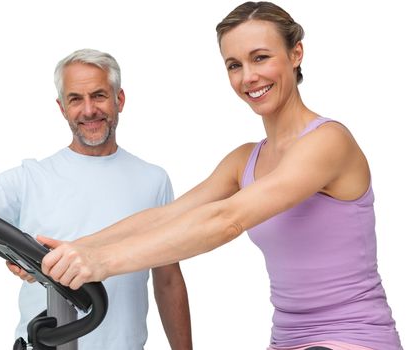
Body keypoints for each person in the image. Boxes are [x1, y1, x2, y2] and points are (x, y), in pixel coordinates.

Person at [37, 3, 402, 350]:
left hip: (353, 336)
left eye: (260, 57)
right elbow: (168, 217)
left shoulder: (328, 141)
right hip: (288, 338)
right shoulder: (245, 159)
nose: (248, 76)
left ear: (295, 54)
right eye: (234, 65)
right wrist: (76, 250)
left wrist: (104, 263)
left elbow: (227, 219)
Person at [0, 49, 192, 349]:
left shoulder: (153, 180)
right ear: (62, 107)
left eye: (98, 96)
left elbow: (168, 280)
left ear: (118, 100)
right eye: (75, 99)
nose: (88, 110)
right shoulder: (31, 177)